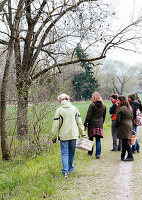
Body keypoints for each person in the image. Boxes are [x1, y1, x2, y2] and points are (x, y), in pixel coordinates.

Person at [52, 93, 86, 178]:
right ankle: (70, 168)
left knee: (64, 153)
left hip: (64, 136)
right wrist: (83, 134)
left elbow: (56, 126)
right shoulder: (75, 109)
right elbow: (79, 123)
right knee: (72, 152)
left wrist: (54, 137)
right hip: (74, 135)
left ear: (60, 101)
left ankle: (65, 171)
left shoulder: (59, 110)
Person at [84, 92, 106, 159]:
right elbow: (104, 116)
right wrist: (102, 123)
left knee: (91, 139)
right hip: (99, 124)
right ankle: (98, 154)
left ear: (94, 97)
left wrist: (85, 123)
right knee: (98, 139)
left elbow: (88, 115)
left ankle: (90, 152)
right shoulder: (103, 105)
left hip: (92, 124)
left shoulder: (92, 105)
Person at [115, 95, 133, 161]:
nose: (117, 101)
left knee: (125, 142)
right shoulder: (129, 107)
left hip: (123, 126)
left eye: (118, 100)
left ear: (121, 101)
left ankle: (130, 156)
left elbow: (118, 120)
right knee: (124, 140)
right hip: (129, 124)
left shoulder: (120, 108)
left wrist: (116, 125)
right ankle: (122, 156)